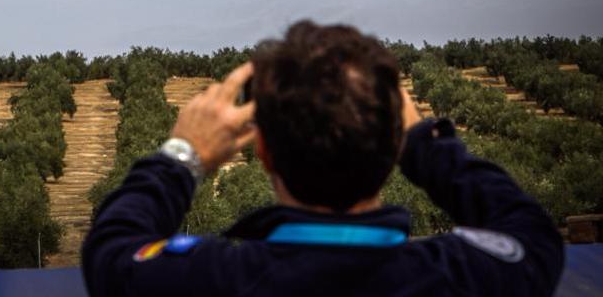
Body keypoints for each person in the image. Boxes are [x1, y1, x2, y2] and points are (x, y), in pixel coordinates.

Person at [82, 20, 564, 296]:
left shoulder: (212, 279)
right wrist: (424, 141)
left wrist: (184, 154)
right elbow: (530, 231)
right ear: (391, 146)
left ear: (263, 150)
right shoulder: (467, 276)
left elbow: (111, 250)